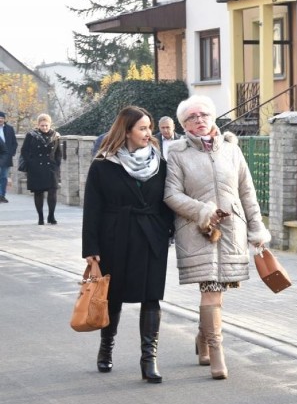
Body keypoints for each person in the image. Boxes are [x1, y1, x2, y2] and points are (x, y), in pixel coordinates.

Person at [164, 94, 271, 380]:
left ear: (212, 117)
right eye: (191, 117)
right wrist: (202, 211)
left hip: (231, 229)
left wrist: (256, 229)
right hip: (197, 230)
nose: (198, 120)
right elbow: (170, 194)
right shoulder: (177, 152)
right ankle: (217, 351)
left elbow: (247, 192)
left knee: (217, 291)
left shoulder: (232, 150)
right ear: (183, 124)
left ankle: (202, 340)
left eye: (203, 115)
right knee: (210, 289)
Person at [82, 106, 173, 383]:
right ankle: (106, 347)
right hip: (115, 238)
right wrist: (91, 250)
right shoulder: (103, 164)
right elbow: (92, 209)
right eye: (142, 128)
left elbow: (168, 201)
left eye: (149, 127)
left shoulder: (160, 163)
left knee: (151, 297)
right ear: (127, 131)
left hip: (151, 238)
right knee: (113, 296)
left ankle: (149, 360)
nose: (149, 133)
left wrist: (167, 231)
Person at [20, 113, 61, 225]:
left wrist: (57, 164)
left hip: (51, 168)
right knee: (38, 193)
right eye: (42, 125)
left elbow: (58, 153)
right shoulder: (31, 135)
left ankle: (51, 216)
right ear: (38, 125)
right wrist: (31, 163)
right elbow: (24, 150)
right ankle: (41, 217)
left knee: (53, 192)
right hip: (36, 168)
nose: (44, 127)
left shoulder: (55, 135)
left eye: (46, 125)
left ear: (50, 124)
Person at [0, 111, 18, 203]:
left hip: (6, 156)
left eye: (2, 118)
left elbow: (14, 143)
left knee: (4, 176)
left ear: (4, 119)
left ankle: (2, 195)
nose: (0, 120)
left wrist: (11, 153)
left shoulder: (9, 129)